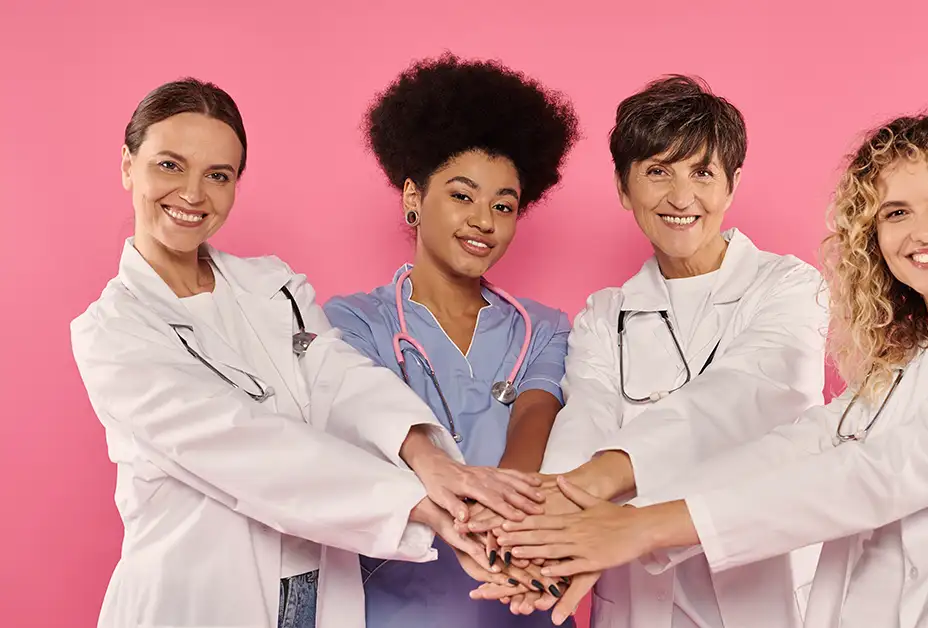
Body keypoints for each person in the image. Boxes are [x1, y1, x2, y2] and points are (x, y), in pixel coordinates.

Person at [495, 110, 928, 628]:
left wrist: (641, 528)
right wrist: (576, 520)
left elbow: (869, 477)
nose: (922, 231)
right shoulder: (890, 379)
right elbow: (790, 450)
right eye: (896, 212)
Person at [70, 78, 546, 628]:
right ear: (129, 164)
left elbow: (337, 380)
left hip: (320, 595)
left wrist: (430, 460)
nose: (193, 194)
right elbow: (246, 446)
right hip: (198, 596)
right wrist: (428, 506)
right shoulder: (112, 332)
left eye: (218, 175)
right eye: (169, 165)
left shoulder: (275, 288)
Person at [470, 75, 830, 627]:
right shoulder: (603, 314)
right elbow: (587, 416)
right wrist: (546, 540)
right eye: (658, 171)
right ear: (623, 187)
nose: (681, 197)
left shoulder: (790, 287)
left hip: (761, 590)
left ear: (731, 186)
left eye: (702, 173)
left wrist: (584, 491)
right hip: (638, 601)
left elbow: (741, 398)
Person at [321, 53, 581, 627]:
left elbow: (532, 426)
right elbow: (360, 436)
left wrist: (501, 515)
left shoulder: (544, 329)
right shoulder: (352, 324)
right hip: (398, 607)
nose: (484, 221)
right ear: (414, 197)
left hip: (518, 599)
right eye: (462, 195)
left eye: (504, 205)